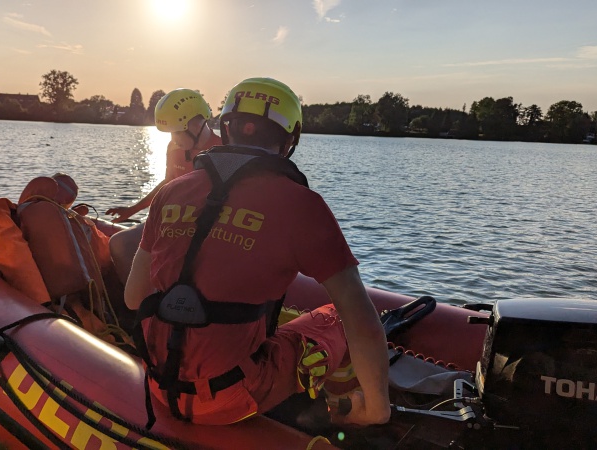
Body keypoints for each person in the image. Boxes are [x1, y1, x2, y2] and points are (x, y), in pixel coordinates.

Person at [124, 77, 390, 427]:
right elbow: (361, 318)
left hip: (160, 382)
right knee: (338, 318)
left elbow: (133, 298)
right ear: (290, 140)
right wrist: (378, 410)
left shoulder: (170, 192)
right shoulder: (302, 205)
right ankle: (347, 408)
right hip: (234, 394)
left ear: (226, 129)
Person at [107, 88, 222, 282]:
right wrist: (131, 210)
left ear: (197, 124)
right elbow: (168, 183)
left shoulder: (222, 151)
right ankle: (140, 306)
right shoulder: (174, 147)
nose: (173, 139)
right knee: (119, 243)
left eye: (176, 132)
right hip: (171, 221)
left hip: (204, 228)